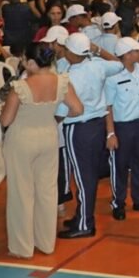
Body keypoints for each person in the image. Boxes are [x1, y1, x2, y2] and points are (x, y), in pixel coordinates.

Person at [0, 43, 83, 258]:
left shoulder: (20, 86)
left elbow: (6, 120)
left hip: (22, 140)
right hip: (49, 137)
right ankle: (46, 243)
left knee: (22, 193)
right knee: (47, 192)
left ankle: (22, 247)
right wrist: (55, 118)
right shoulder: (62, 81)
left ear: (31, 62)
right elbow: (77, 109)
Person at [56, 33, 124, 239]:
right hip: (97, 126)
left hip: (78, 128)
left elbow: (60, 112)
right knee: (89, 175)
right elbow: (119, 64)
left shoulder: (69, 77)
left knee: (83, 177)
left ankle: (85, 223)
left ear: (72, 53)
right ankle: (81, 216)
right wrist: (97, 50)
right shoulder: (97, 65)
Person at [104, 37, 139, 220]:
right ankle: (118, 202)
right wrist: (111, 133)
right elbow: (108, 107)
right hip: (122, 126)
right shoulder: (113, 77)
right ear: (126, 55)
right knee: (119, 165)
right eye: (136, 50)